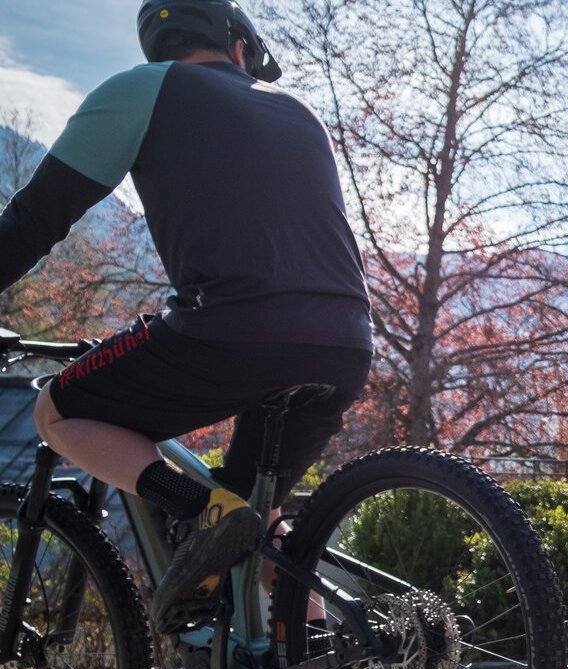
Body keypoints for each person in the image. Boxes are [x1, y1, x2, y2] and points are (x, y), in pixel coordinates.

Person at [0, 0, 372, 636]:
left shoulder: (142, 89)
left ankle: (197, 509)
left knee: (56, 411)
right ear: (238, 48)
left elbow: (35, 220)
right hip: (344, 342)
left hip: (231, 331)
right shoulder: (297, 111)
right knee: (261, 522)